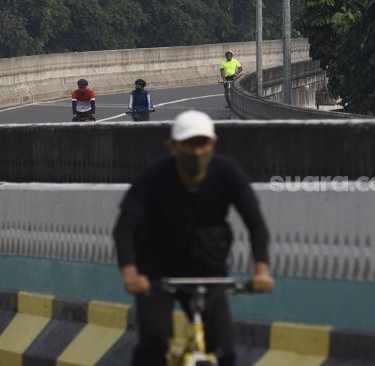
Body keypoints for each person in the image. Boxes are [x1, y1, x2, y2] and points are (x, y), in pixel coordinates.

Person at [113, 110, 274, 366]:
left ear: (213, 144)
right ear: (173, 147)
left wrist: (262, 269)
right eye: (189, 145)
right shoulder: (154, 177)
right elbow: (124, 228)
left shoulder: (226, 173)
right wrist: (131, 274)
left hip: (208, 269)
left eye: (202, 144)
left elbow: (255, 223)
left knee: (225, 351)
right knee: (155, 343)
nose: (197, 152)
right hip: (157, 271)